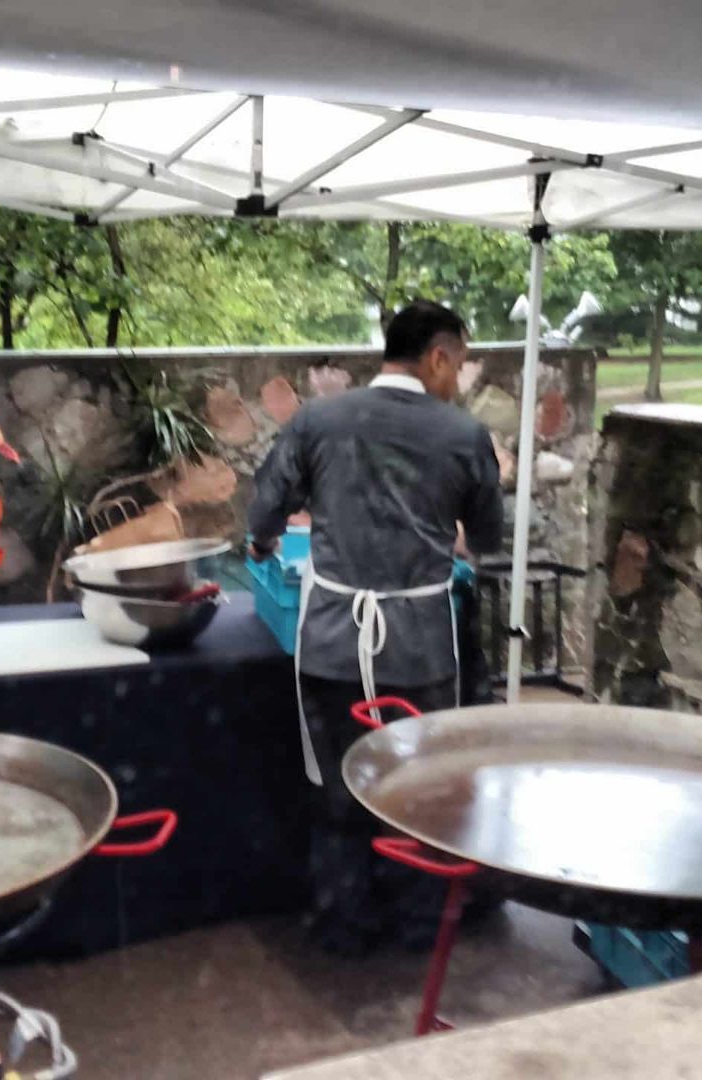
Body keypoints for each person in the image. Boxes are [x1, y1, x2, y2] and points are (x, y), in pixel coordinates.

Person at [248, 299, 505, 953]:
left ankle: (344, 924)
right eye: (460, 365)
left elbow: (264, 511)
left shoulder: (318, 420)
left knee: (339, 785)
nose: (459, 380)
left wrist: (262, 543)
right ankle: (418, 923)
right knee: (419, 786)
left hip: (332, 640)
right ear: (438, 357)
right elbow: (486, 537)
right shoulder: (463, 434)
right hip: (420, 649)